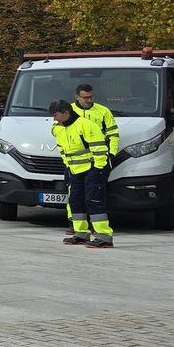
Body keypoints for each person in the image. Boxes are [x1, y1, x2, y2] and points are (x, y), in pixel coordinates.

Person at [50, 99, 114, 248]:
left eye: (56, 115)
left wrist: (98, 170)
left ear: (66, 113)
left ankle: (104, 236)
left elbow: (100, 149)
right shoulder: (60, 128)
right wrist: (68, 167)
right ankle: (81, 234)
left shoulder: (86, 125)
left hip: (94, 168)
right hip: (75, 170)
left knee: (94, 201)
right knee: (75, 201)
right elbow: (64, 150)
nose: (54, 119)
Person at [67, 83, 120, 234]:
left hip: (97, 161)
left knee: (95, 194)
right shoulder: (69, 111)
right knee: (74, 194)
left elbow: (113, 134)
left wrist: (111, 154)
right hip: (76, 163)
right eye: (85, 97)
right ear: (77, 97)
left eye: (91, 97)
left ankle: (98, 229)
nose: (88, 100)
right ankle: (75, 226)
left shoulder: (103, 111)